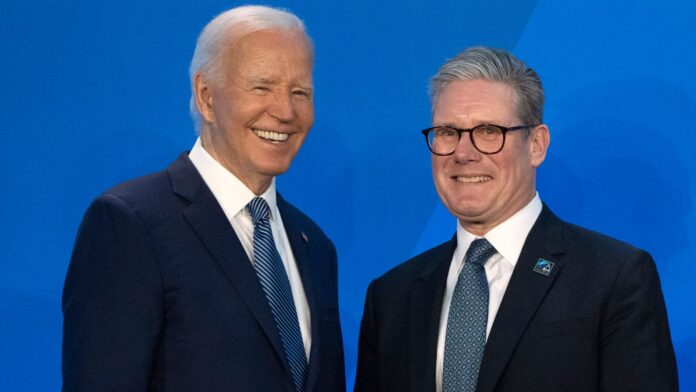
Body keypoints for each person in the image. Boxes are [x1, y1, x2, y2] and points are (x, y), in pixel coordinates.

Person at [354, 47, 677, 392]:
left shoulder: (614, 278)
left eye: (489, 131)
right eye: (448, 132)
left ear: (536, 145)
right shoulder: (391, 296)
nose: (463, 153)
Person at [62, 5, 345, 391]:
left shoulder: (314, 246)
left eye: (300, 92)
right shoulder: (131, 225)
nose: (284, 111)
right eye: (262, 86)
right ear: (207, 96)